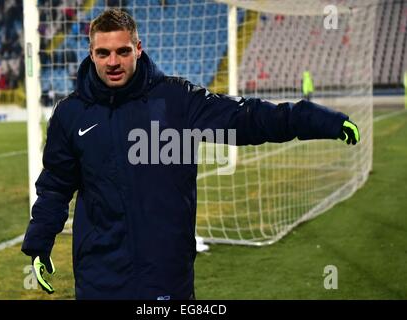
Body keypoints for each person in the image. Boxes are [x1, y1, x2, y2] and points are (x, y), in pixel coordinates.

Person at [21, 8, 360, 300]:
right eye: (103, 53)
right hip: (99, 272)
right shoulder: (71, 113)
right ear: (90, 53)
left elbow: (247, 117)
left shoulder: (176, 100)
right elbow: (56, 184)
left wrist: (316, 120)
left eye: (123, 51)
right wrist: (39, 241)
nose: (113, 62)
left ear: (138, 49)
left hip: (165, 269)